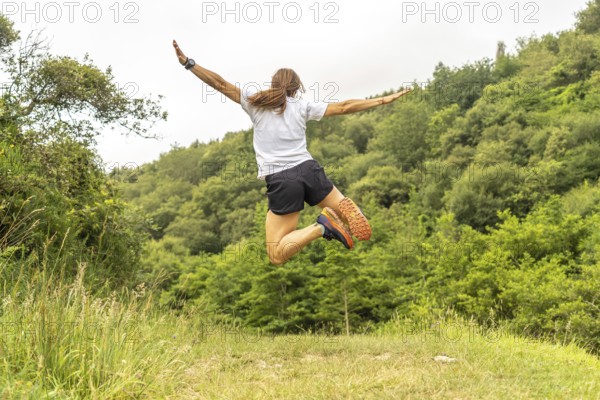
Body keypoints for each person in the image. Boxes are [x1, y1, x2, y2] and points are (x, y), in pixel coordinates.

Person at [173, 40, 412, 265]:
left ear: (273, 83)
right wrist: (382, 101)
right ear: (296, 89)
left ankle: (322, 227)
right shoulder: (303, 106)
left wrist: (188, 63)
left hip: (283, 180)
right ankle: (348, 211)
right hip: (309, 170)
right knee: (344, 211)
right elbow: (344, 107)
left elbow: (219, 83)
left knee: (277, 254)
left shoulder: (255, 102)